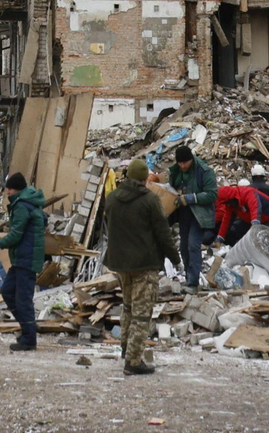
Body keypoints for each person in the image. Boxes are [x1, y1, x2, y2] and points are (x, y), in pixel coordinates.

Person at [105, 159, 180, 375]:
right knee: (141, 313)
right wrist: (175, 259)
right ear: (145, 178)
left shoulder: (112, 198)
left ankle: (126, 348)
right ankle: (134, 361)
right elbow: (163, 233)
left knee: (128, 307)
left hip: (119, 263)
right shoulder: (149, 200)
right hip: (144, 263)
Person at [0, 172, 47, 351]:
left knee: (23, 299)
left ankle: (29, 339)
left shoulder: (22, 206)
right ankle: (28, 327)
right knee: (8, 292)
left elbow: (16, 235)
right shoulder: (27, 202)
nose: (7, 192)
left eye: (9, 188)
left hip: (26, 258)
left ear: (14, 189)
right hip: (21, 258)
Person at [167, 145, 216, 290]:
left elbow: (212, 194)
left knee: (193, 245)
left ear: (191, 160)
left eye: (185, 163)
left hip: (199, 214)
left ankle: (193, 283)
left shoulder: (204, 171)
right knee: (183, 246)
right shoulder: (176, 170)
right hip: (184, 213)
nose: (182, 166)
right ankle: (189, 277)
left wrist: (191, 198)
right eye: (180, 163)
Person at [214, 178, 262, 246]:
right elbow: (226, 220)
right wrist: (220, 238)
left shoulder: (247, 196)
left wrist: (255, 223)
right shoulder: (232, 203)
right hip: (244, 221)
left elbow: (255, 209)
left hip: (256, 221)